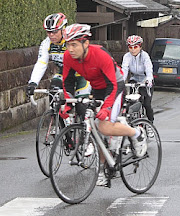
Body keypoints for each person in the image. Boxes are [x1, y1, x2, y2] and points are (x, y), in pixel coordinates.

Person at [61, 24, 147, 186]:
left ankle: (137, 133)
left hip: (115, 86)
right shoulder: (68, 57)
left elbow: (114, 85)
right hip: (97, 88)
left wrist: (107, 108)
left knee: (105, 127)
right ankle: (102, 168)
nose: (70, 49)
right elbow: (68, 81)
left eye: (74, 44)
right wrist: (69, 102)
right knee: (96, 128)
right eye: (67, 44)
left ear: (85, 43)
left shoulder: (100, 55)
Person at [26, 13, 91, 119]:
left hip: (82, 73)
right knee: (53, 92)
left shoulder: (72, 41)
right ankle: (62, 129)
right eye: (48, 32)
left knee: (81, 107)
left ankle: (84, 130)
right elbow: (42, 63)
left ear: (63, 29)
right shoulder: (47, 43)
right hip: (64, 73)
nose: (51, 35)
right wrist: (33, 83)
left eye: (55, 31)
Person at [121, 35, 154, 123]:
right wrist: (121, 81)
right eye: (130, 47)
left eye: (135, 47)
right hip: (134, 79)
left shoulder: (145, 56)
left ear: (140, 47)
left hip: (145, 79)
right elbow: (124, 69)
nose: (133, 49)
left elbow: (148, 68)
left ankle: (150, 122)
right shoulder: (127, 56)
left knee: (147, 104)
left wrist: (149, 79)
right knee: (130, 101)